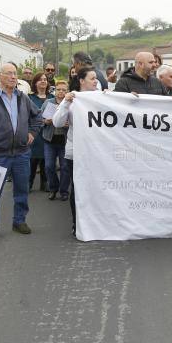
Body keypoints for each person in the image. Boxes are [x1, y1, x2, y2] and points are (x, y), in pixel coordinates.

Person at [0, 62, 42, 241]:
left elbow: (37, 116)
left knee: (22, 190)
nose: (14, 77)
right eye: (9, 74)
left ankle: (19, 221)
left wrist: (32, 132)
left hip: (21, 153)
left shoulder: (22, 97)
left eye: (15, 74)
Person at [53, 67, 101, 235]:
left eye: (96, 78)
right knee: (78, 188)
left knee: (96, 188)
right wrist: (65, 102)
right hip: (76, 153)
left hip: (97, 153)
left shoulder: (101, 98)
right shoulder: (73, 99)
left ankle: (96, 222)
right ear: (81, 81)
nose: (96, 81)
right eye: (92, 78)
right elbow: (57, 123)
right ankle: (77, 224)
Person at [41, 80, 70, 201]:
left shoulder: (70, 104)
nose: (61, 92)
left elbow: (76, 121)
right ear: (55, 91)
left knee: (65, 167)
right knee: (48, 166)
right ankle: (53, 188)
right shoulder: (48, 102)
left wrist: (69, 125)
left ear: (67, 91)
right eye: (59, 90)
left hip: (64, 141)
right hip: (49, 140)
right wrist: (45, 122)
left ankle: (63, 191)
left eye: (64, 90)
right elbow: (39, 119)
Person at [28, 72, 50, 192]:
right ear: (35, 82)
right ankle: (29, 182)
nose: (43, 81)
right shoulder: (29, 98)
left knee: (46, 159)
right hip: (34, 132)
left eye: (45, 79)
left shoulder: (52, 97)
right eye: (40, 79)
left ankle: (45, 182)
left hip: (48, 131)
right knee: (33, 158)